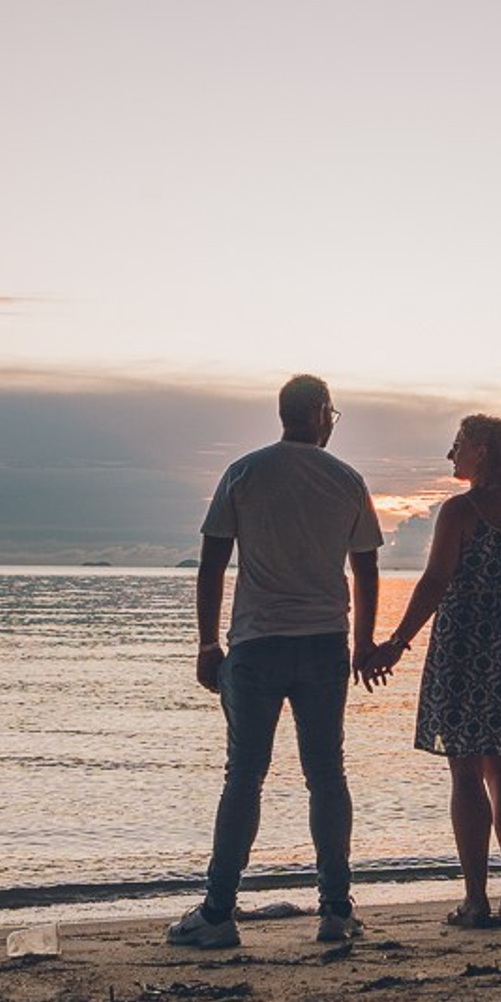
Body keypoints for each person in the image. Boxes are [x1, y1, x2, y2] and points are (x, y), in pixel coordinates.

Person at [169, 375, 383, 951]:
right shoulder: (346, 479)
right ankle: (335, 908)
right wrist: (364, 643)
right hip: (324, 643)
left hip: (256, 645)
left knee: (244, 776)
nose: (332, 423)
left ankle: (218, 912)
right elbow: (365, 568)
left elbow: (212, 564)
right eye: (332, 414)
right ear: (319, 413)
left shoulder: (244, 472)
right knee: (326, 775)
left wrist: (207, 644)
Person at [365, 413, 501, 928]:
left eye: (458, 445)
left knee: (465, 770)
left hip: (463, 644)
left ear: (482, 451)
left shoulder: (460, 510)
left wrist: (396, 643)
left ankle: (476, 899)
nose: (451, 454)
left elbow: (434, 583)